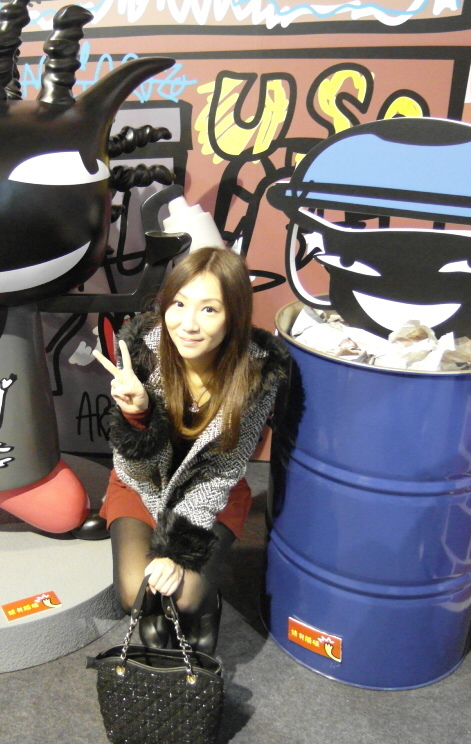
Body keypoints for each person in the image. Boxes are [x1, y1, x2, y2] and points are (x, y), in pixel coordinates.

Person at [92, 246, 288, 653]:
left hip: (211, 492)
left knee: (185, 596)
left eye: (209, 309)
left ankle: (205, 603)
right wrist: (138, 415)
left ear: (233, 315)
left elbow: (221, 471)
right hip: (142, 484)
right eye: (179, 304)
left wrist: (174, 549)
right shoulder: (142, 352)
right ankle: (157, 611)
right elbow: (133, 465)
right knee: (134, 596)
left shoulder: (256, 373)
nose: (188, 324)